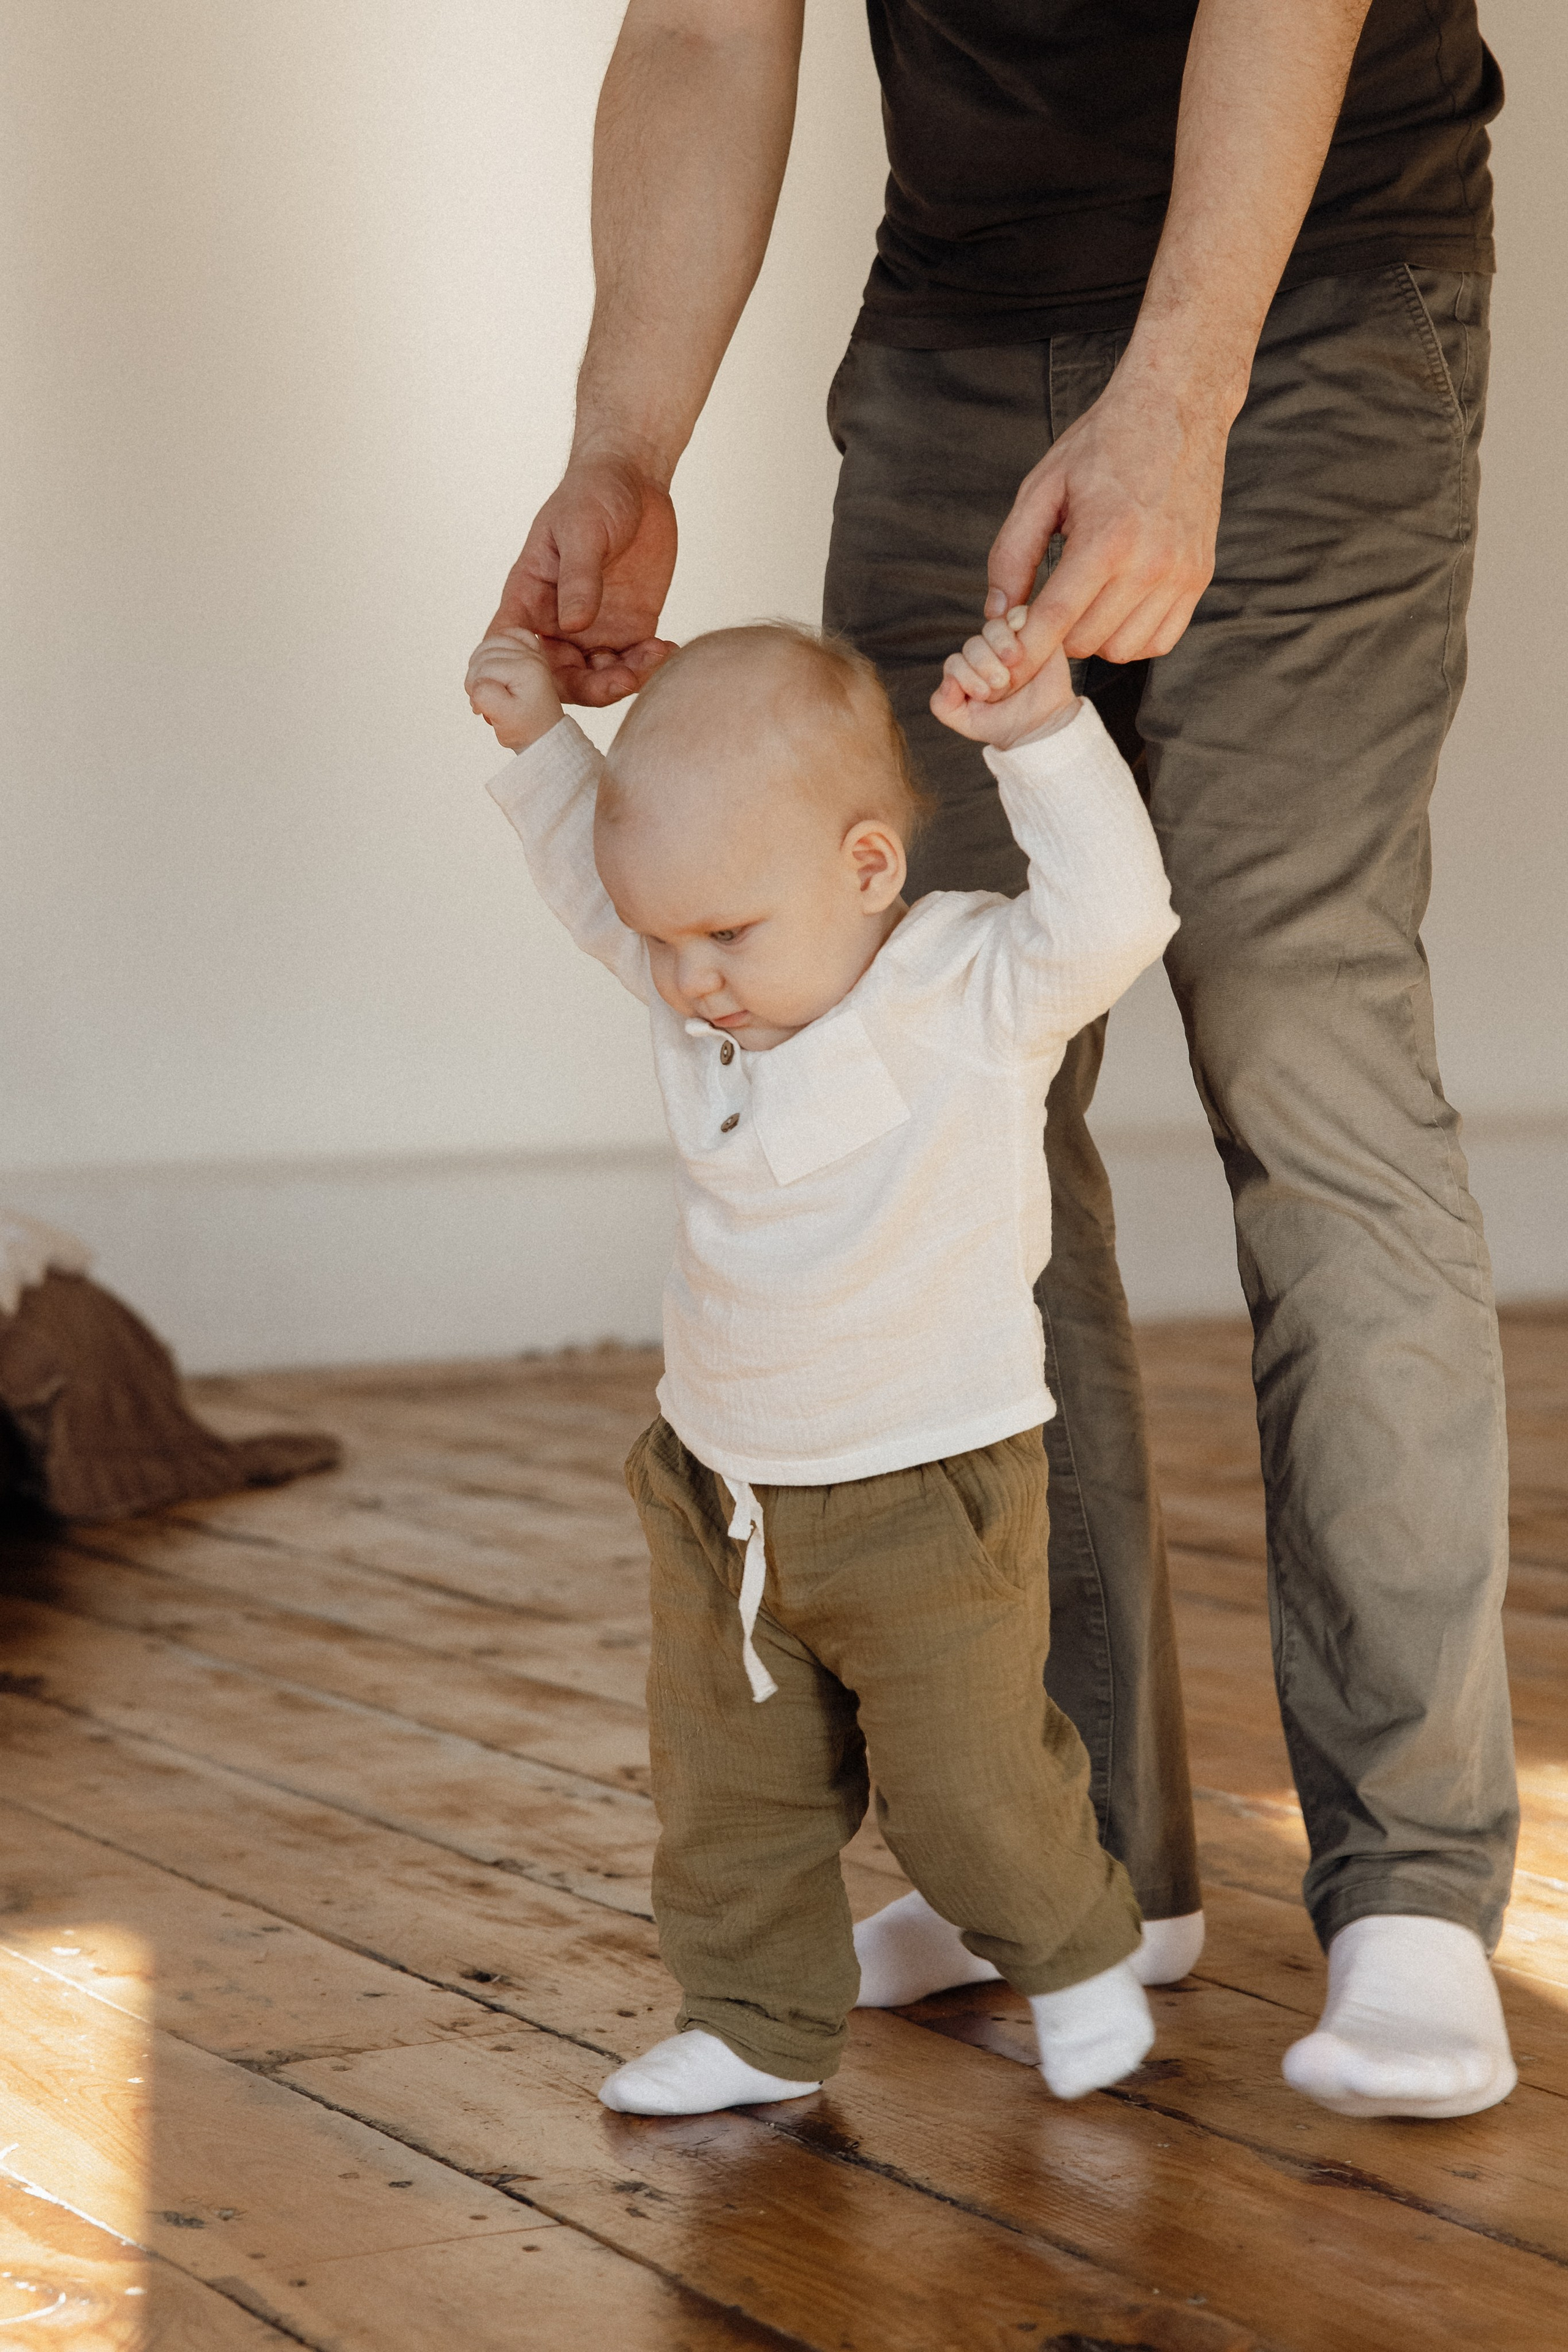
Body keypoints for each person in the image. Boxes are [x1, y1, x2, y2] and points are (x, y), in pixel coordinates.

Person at [483, 0, 1518, 2121]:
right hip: (960, 317)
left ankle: (1411, 1881)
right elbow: (702, 19)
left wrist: (1184, 385)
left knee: (1307, 1035)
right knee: (928, 1066)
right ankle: (1062, 1854)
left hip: (1312, 288)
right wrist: (624, 441)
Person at [466, 611, 1176, 2114]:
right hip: (721, 1491)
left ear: (864, 868)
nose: (686, 981)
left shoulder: (970, 990)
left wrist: (1044, 739)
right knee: (730, 1800)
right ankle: (752, 2020)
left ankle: (1073, 1956)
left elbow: (1115, 915)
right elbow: (594, 895)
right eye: (663, 941)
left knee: (969, 1784)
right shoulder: (697, 986)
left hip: (925, 1483)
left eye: (723, 936)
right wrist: (541, 749)